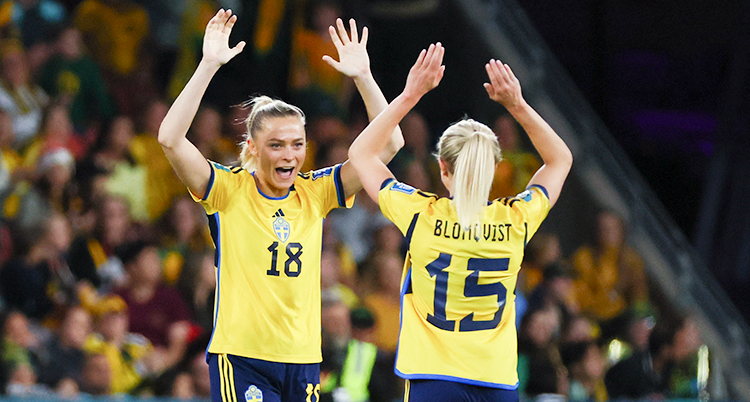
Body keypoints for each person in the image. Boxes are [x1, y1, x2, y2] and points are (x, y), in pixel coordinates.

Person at [157, 9, 403, 402]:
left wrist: (363, 77)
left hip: (303, 359)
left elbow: (389, 145)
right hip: (243, 357)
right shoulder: (227, 189)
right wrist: (206, 66)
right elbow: (170, 138)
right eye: (276, 144)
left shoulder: (316, 192)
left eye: (297, 144)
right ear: (253, 149)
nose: (290, 154)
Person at [347, 43, 573, 401]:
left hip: (433, 377)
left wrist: (411, 94)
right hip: (495, 380)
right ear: (494, 168)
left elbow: (361, 153)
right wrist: (517, 105)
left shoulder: (420, 214)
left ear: (443, 168)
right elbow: (560, 160)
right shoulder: (515, 220)